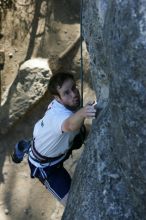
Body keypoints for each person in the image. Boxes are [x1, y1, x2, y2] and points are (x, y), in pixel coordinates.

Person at [15, 72, 96, 206]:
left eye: (74, 88)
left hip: (50, 143)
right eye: (66, 93)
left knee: (82, 129)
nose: (74, 94)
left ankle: (29, 145)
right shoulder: (59, 116)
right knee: (73, 203)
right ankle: (25, 148)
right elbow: (69, 125)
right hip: (46, 168)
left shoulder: (60, 105)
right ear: (57, 98)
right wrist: (83, 112)